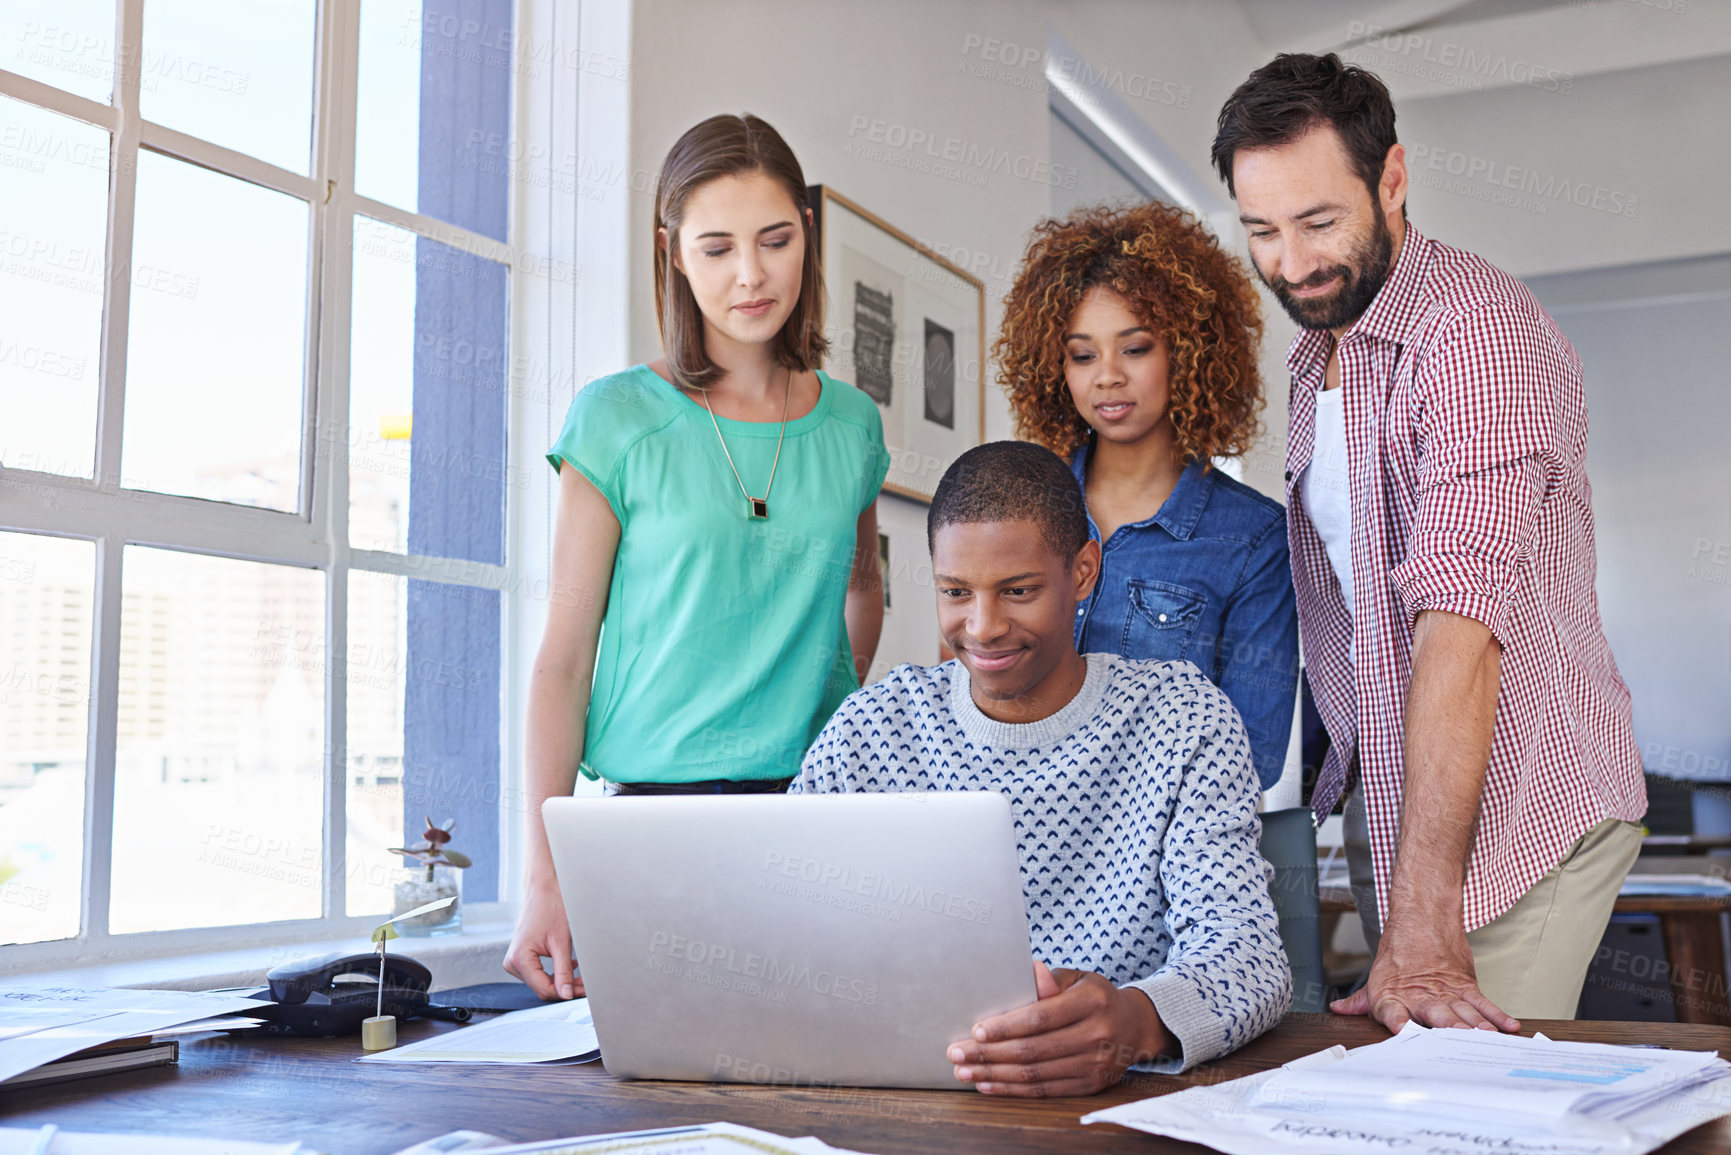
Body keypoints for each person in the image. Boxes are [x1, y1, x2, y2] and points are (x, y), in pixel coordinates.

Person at [1210, 53, 1646, 1032]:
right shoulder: (1320, 344)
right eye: (1262, 232)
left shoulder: (1476, 339)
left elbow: (1458, 630)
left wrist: (1420, 919)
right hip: (1407, 800)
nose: (1291, 264)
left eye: (1319, 222)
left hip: (1524, 804)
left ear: (1393, 179)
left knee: (1472, 1113)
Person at [504, 114, 891, 1001]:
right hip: (650, 830)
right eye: (715, 247)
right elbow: (564, 660)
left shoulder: (854, 423)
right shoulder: (616, 418)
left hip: (817, 821)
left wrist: (831, 715)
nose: (749, 274)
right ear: (673, 253)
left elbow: (863, 589)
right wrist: (546, 874)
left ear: (807, 234)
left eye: (775, 240)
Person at [790, 441, 1291, 1096]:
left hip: (1117, 1107)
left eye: (1017, 591)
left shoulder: (1184, 719)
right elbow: (783, 920)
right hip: (909, 1099)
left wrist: (1135, 1021)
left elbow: (1249, 958)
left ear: (1083, 572)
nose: (983, 626)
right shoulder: (875, 725)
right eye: (954, 592)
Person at [994, 201, 1297, 791]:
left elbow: (1251, 755)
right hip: (1011, 837)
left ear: (1188, 353)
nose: (1107, 375)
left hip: (1155, 862)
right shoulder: (1016, 506)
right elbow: (969, 689)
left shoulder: (1254, 542)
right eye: (1083, 355)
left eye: (1135, 348)